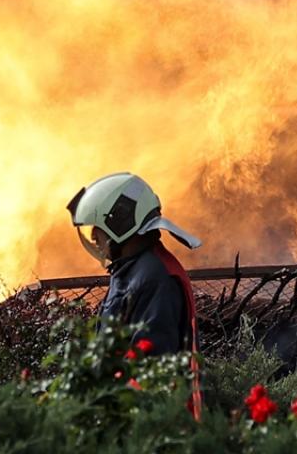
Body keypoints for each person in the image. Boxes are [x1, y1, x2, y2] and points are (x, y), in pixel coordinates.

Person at [67, 173, 204, 416]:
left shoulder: (156, 278)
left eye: (97, 227)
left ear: (120, 221)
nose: (93, 236)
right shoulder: (131, 270)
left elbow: (151, 370)